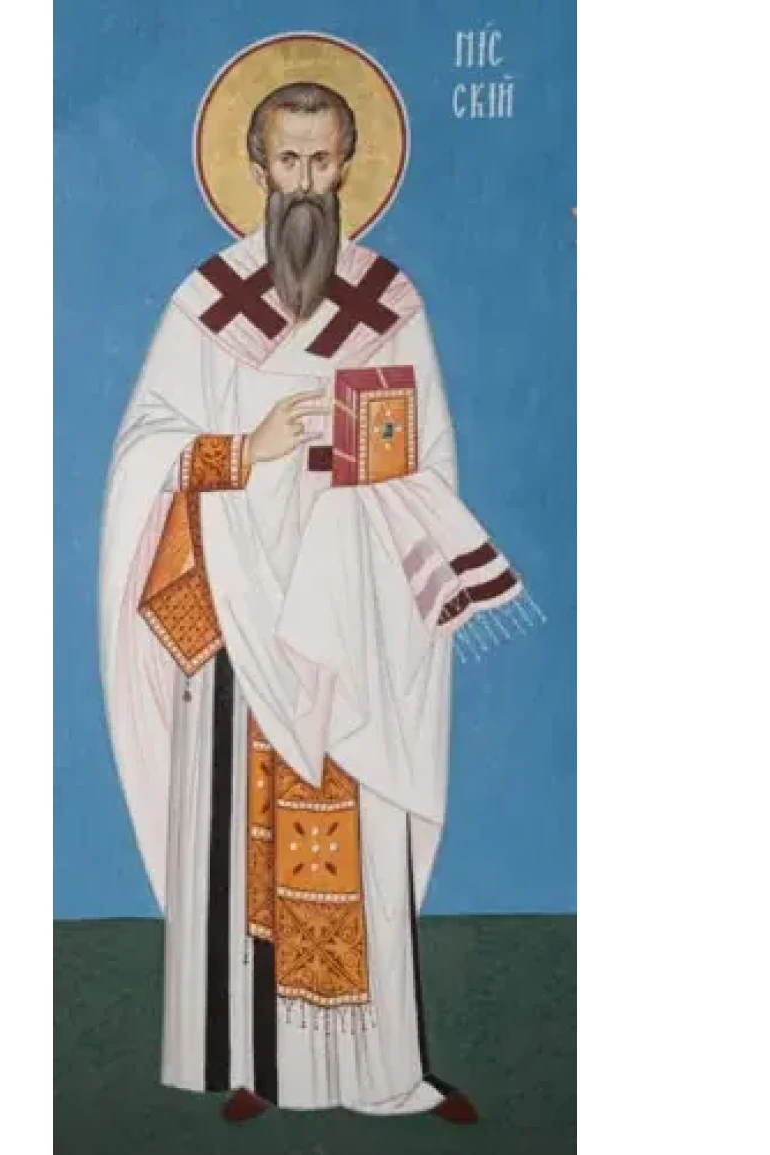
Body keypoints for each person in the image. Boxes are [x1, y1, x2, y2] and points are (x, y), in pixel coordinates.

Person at [100, 81, 523, 1123]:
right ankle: (257, 1063)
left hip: (351, 617)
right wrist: (246, 449)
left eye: (321, 161)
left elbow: (429, 459)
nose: (303, 182)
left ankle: (384, 1074)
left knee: (361, 839)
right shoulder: (207, 305)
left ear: (348, 169)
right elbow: (145, 451)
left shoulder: (389, 306)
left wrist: (363, 475)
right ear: (255, 168)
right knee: (239, 843)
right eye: (285, 161)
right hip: (241, 628)